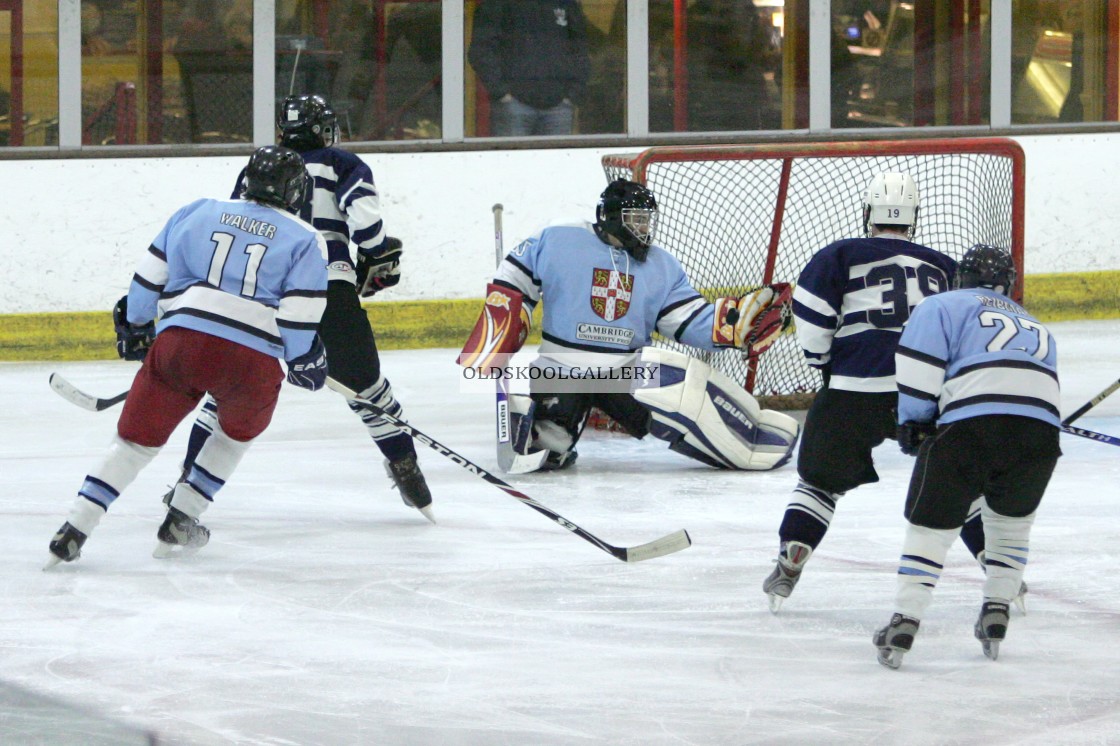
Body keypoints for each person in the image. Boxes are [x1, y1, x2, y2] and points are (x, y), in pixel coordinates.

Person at [46, 145, 329, 566]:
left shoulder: (198, 210)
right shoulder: (307, 238)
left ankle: (75, 528)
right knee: (233, 437)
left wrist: (140, 327)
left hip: (181, 344)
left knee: (133, 444)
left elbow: (147, 280)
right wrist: (305, 358)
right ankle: (183, 516)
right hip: (250, 362)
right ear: (294, 191)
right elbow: (299, 315)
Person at [173, 94, 434, 521]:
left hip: (264, 292)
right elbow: (368, 229)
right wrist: (377, 256)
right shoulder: (344, 164)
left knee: (227, 391)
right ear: (322, 129)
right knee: (368, 390)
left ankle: (187, 484)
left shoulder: (259, 167)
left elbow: (243, 228)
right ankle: (406, 466)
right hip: (329, 288)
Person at [459, 178, 800, 472]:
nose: (643, 228)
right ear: (610, 217)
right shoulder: (559, 236)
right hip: (560, 368)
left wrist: (732, 326)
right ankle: (549, 432)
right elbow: (513, 285)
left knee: (683, 395)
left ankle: (753, 439)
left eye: (647, 220)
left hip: (624, 372)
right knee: (547, 451)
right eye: (636, 219)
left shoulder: (661, 265)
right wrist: (499, 336)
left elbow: (685, 317)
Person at [762, 172, 960, 611]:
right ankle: (1002, 571)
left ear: (868, 213)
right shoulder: (944, 266)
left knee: (819, 483)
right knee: (959, 483)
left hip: (854, 388)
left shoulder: (841, 253)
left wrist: (826, 368)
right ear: (915, 218)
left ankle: (794, 551)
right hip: (926, 392)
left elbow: (812, 317)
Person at [873, 244, 1061, 668]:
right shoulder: (1035, 323)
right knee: (1011, 529)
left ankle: (905, 621)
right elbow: (1040, 392)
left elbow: (918, 364)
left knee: (931, 528)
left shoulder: (941, 305)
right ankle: (997, 611)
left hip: (970, 428)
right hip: (1039, 435)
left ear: (960, 278)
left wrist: (915, 421)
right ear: (1008, 285)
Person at [468, 0, 591, 137]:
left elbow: (581, 49)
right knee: (512, 158)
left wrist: (573, 94)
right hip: (513, 106)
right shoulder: (498, 3)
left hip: (559, 107)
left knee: (557, 159)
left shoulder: (566, 3)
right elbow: (481, 50)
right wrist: (501, 92)